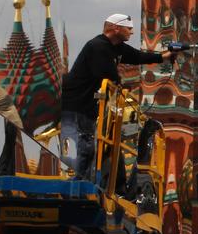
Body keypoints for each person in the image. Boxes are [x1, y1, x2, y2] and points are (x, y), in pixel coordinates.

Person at [61, 14, 171, 181]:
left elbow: (138, 56)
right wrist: (119, 83)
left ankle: (82, 181)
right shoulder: (97, 46)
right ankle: (78, 184)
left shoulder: (116, 47)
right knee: (85, 144)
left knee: (90, 144)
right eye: (128, 28)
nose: (131, 32)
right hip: (76, 104)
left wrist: (165, 56)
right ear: (115, 28)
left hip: (88, 107)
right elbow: (106, 73)